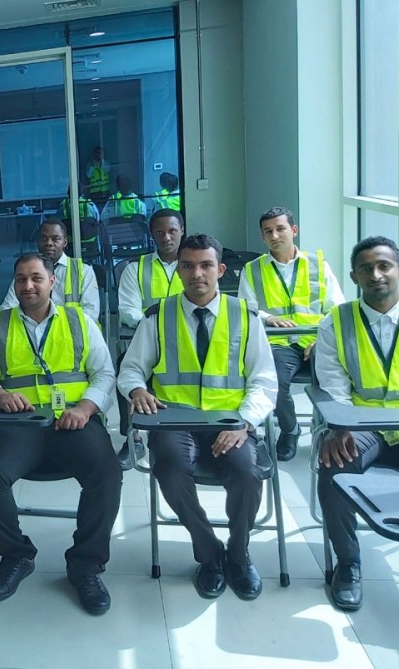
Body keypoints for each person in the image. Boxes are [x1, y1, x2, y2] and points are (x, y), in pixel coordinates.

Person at [118, 233, 277, 601]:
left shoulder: (245, 315)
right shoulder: (159, 315)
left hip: (231, 422)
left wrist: (245, 421)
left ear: (220, 270)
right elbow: (131, 369)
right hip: (176, 420)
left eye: (206, 265)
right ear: (179, 270)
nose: (197, 274)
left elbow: (264, 380)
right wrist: (137, 390)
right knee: (169, 467)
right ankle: (208, 553)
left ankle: (238, 553)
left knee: (247, 471)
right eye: (188, 266)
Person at [0, 253, 121, 614]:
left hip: (74, 422)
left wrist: (85, 408)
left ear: (52, 282)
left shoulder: (79, 320)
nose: (28, 285)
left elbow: (104, 373)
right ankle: (16, 555)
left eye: (36, 278)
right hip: (21, 425)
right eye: (21, 279)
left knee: (107, 474)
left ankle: (85, 565)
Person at [315, 236, 399, 612]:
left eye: (384, 266)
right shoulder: (336, 322)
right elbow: (333, 385)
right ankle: (348, 564)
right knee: (333, 468)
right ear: (354, 276)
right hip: (363, 425)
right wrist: (339, 427)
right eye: (366, 269)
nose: (376, 275)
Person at [238, 207, 344, 461]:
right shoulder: (252, 270)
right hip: (280, 343)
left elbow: (337, 308)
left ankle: (333, 431)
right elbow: (246, 309)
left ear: (294, 230)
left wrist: (321, 339)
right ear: (262, 237)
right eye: (268, 231)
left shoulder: (318, 265)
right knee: (273, 380)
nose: (274, 235)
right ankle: (290, 429)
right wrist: (268, 317)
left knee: (336, 378)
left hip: (316, 341)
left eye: (280, 229)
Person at [114, 208, 186, 469]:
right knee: (125, 365)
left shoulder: (194, 265)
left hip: (190, 343)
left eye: (172, 231)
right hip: (148, 342)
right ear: (151, 234)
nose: (166, 237)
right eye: (160, 232)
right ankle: (133, 438)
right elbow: (128, 310)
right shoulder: (135, 268)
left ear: (182, 231)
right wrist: (159, 325)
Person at [2, 220, 100, 323]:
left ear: (64, 242)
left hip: (70, 331)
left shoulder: (83, 271)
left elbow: (91, 313)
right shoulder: (26, 271)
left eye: (55, 239)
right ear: (38, 242)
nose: (49, 243)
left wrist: (53, 328)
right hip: (33, 330)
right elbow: (7, 308)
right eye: (44, 238)